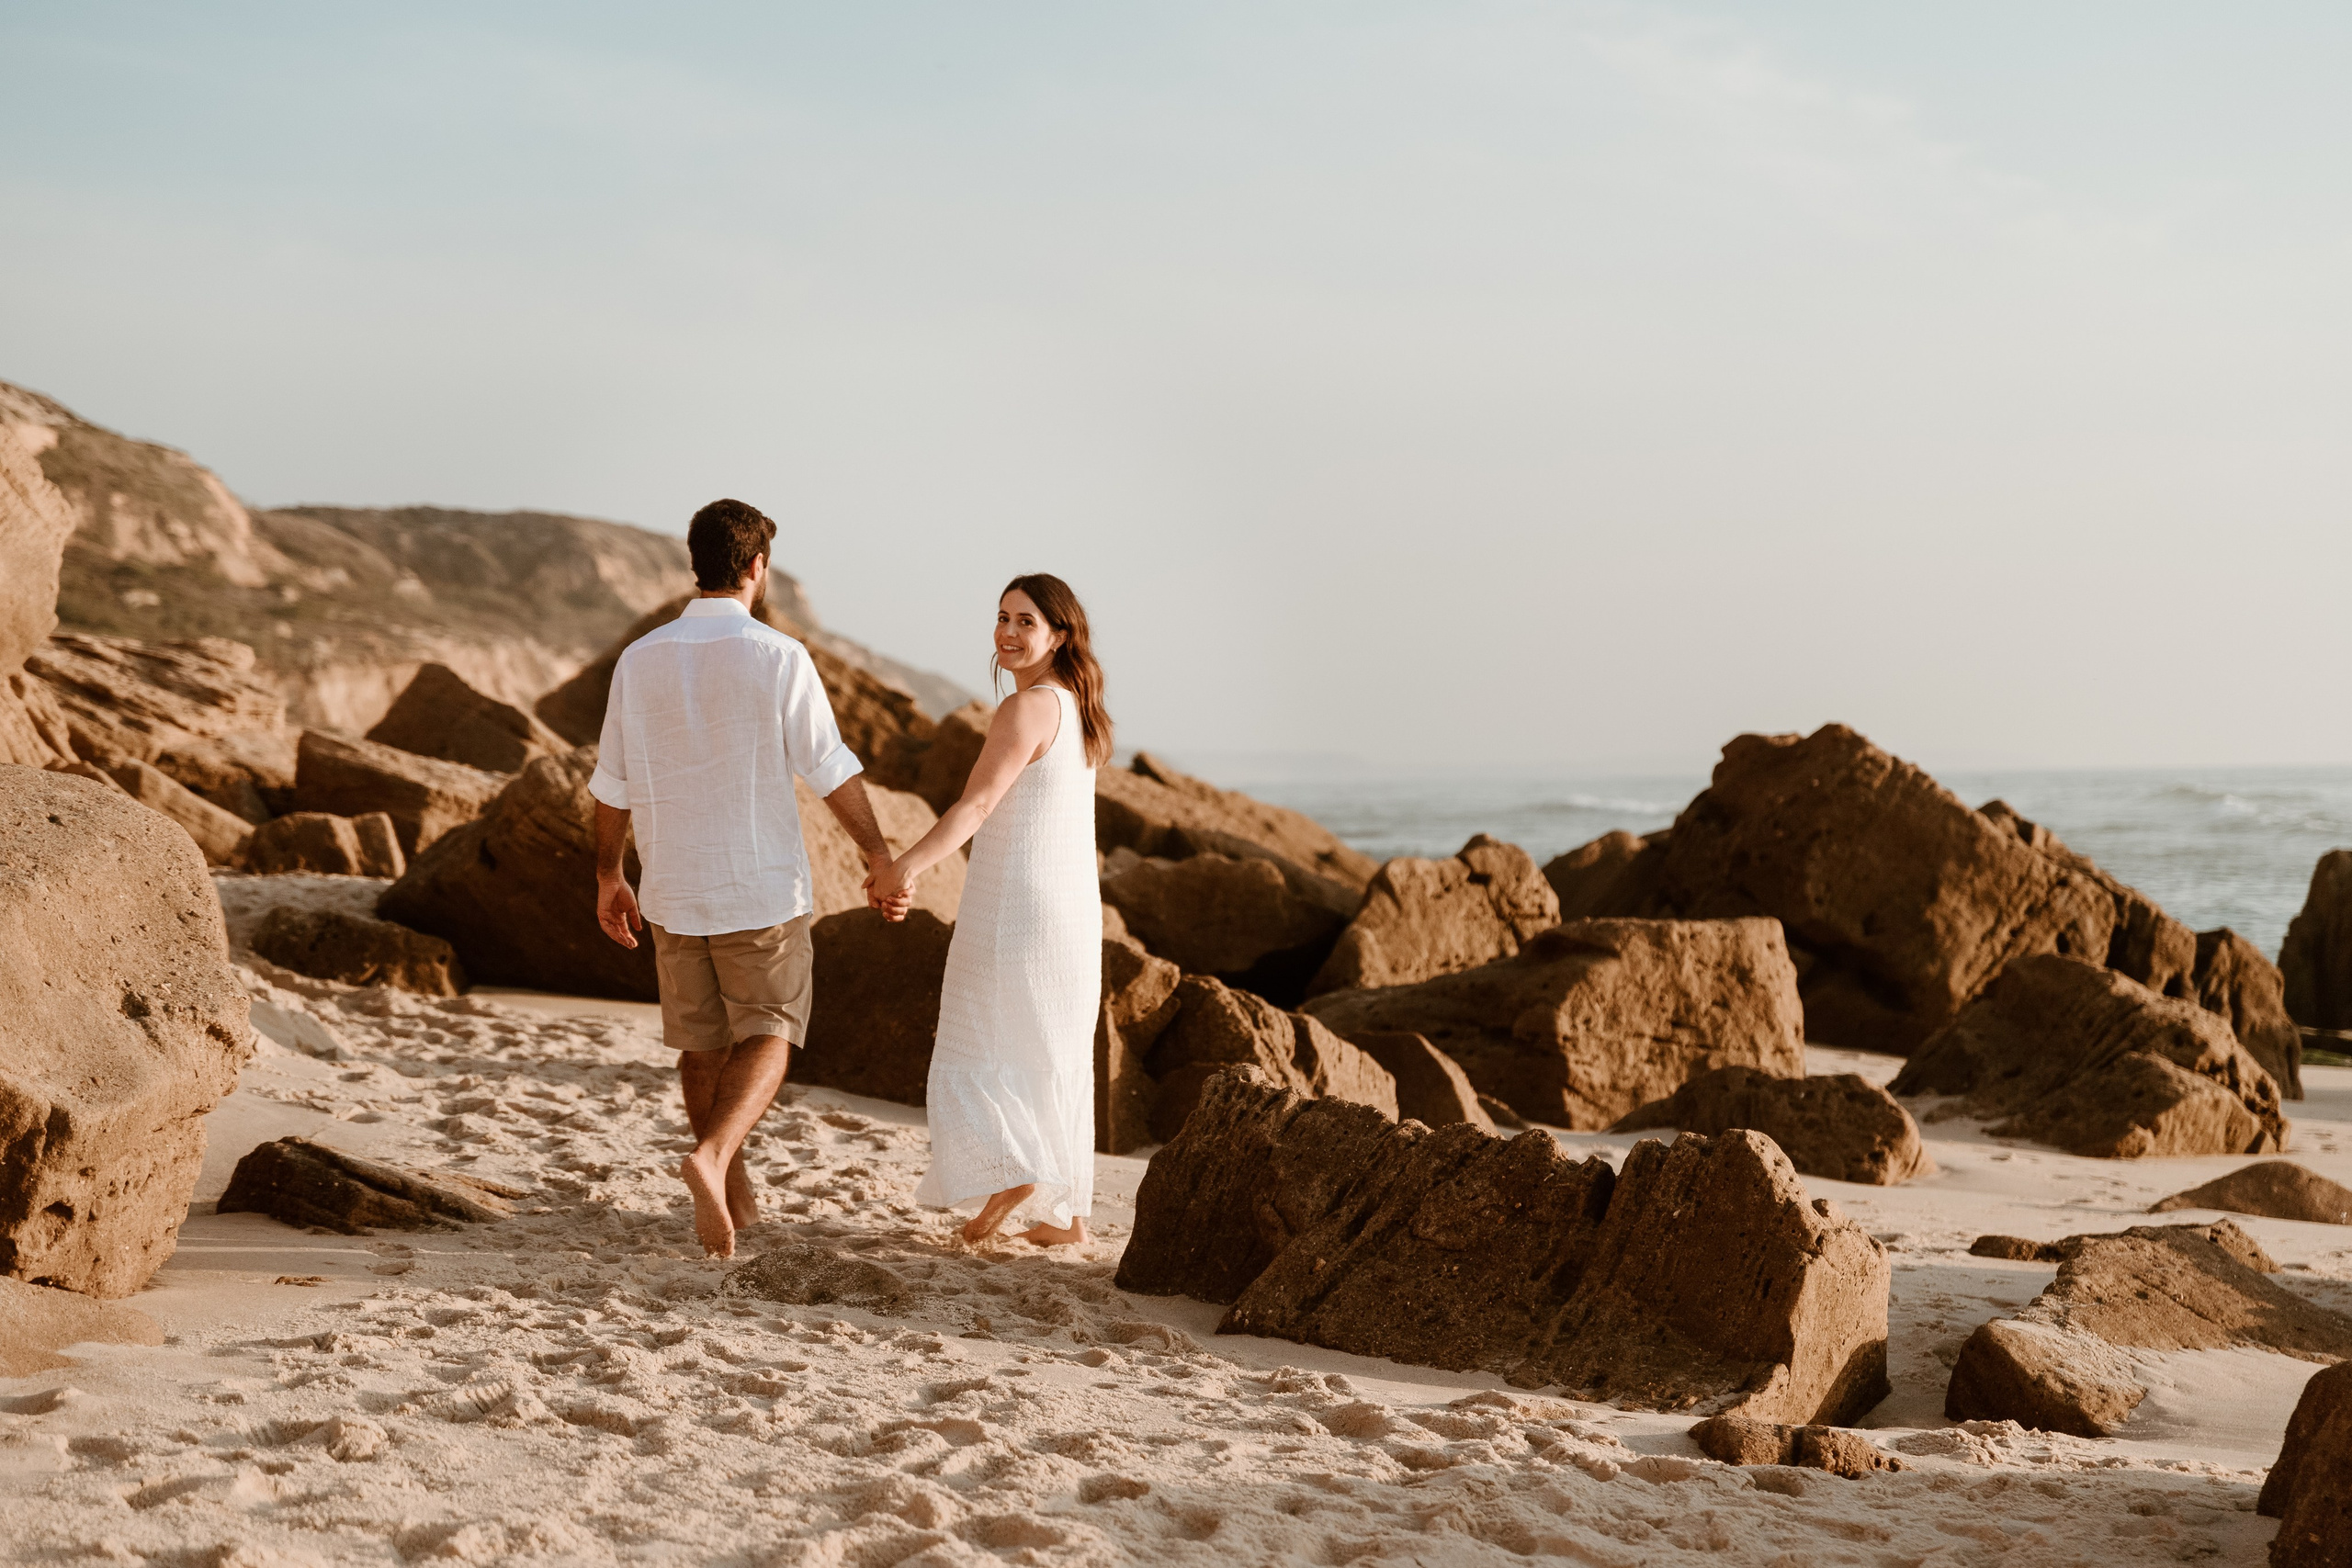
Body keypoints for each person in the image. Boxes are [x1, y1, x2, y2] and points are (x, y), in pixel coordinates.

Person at [588, 498, 906, 1259]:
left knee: (701, 1048)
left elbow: (610, 785)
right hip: (758, 887)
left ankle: (736, 1199)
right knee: (769, 1030)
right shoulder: (777, 656)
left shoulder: (641, 658)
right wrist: (877, 851)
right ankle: (714, 1157)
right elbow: (830, 769)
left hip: (671, 887)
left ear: (694, 563)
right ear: (757, 567)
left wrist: (608, 875)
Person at [869, 573, 1111, 1247]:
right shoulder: (1080, 709)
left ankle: (1016, 1174)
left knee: (980, 1039)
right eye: (1002, 617)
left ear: (1059, 633)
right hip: (1071, 913)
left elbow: (975, 808)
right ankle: (1068, 1220)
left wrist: (903, 868)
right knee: (1050, 1051)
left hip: (1016, 906)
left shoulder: (1025, 708)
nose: (1007, 632)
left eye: (1025, 621)